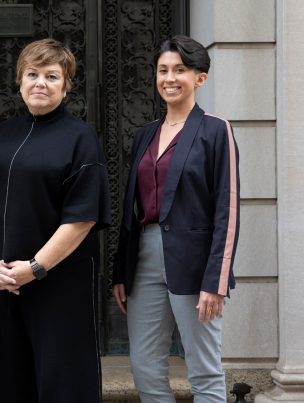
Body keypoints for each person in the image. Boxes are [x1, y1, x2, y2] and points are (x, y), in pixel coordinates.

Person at [0, 38, 111, 402]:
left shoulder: (81, 137)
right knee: (9, 382)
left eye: (52, 76)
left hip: (59, 283)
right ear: (19, 81)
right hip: (4, 282)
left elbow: (81, 218)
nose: (40, 83)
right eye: (32, 74)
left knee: (64, 384)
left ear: (65, 85)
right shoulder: (1, 134)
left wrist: (34, 268)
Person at [112, 35, 240, 402]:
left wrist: (216, 278)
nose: (169, 78)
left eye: (180, 70)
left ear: (199, 78)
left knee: (203, 368)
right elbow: (130, 206)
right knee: (145, 367)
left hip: (195, 262)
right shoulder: (145, 135)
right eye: (163, 70)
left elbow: (228, 209)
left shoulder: (216, 130)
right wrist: (122, 270)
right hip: (145, 259)